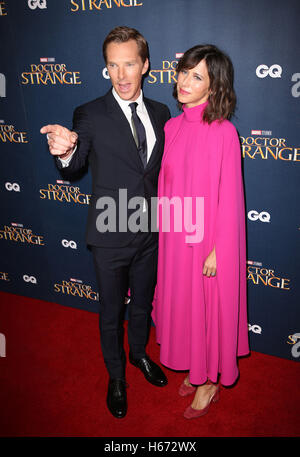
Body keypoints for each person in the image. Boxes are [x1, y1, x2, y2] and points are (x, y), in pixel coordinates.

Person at [40, 26, 170, 419]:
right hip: (109, 236)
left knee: (142, 304)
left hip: (149, 233)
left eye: (130, 63)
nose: (122, 75)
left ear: (145, 65)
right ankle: (116, 376)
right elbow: (74, 165)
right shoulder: (90, 113)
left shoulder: (163, 113)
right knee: (111, 310)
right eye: (113, 66)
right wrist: (64, 153)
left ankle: (139, 355)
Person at [152, 44, 249, 419]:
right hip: (176, 238)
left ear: (214, 87)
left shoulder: (224, 132)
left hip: (208, 241)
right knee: (186, 307)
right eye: (183, 72)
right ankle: (196, 368)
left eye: (197, 76)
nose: (184, 81)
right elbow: (167, 185)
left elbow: (231, 198)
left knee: (207, 310)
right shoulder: (172, 126)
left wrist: (218, 250)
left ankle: (210, 382)